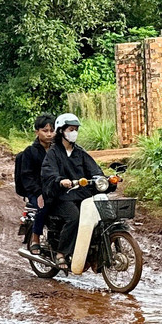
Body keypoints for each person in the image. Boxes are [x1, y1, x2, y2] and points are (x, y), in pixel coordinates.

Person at [40, 113, 104, 268]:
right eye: (71, 129)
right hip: (60, 197)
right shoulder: (53, 153)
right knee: (74, 217)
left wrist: (105, 179)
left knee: (100, 216)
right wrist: (60, 180)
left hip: (81, 195)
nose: (74, 132)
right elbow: (49, 172)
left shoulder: (80, 152)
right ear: (61, 131)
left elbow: (94, 170)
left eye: (76, 129)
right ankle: (61, 252)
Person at [15, 113, 55, 254]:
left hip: (55, 189)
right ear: (37, 132)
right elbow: (27, 176)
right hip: (37, 191)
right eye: (45, 131)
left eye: (52, 130)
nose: (49, 134)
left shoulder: (58, 150)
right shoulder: (30, 152)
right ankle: (35, 238)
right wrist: (38, 192)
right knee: (43, 206)